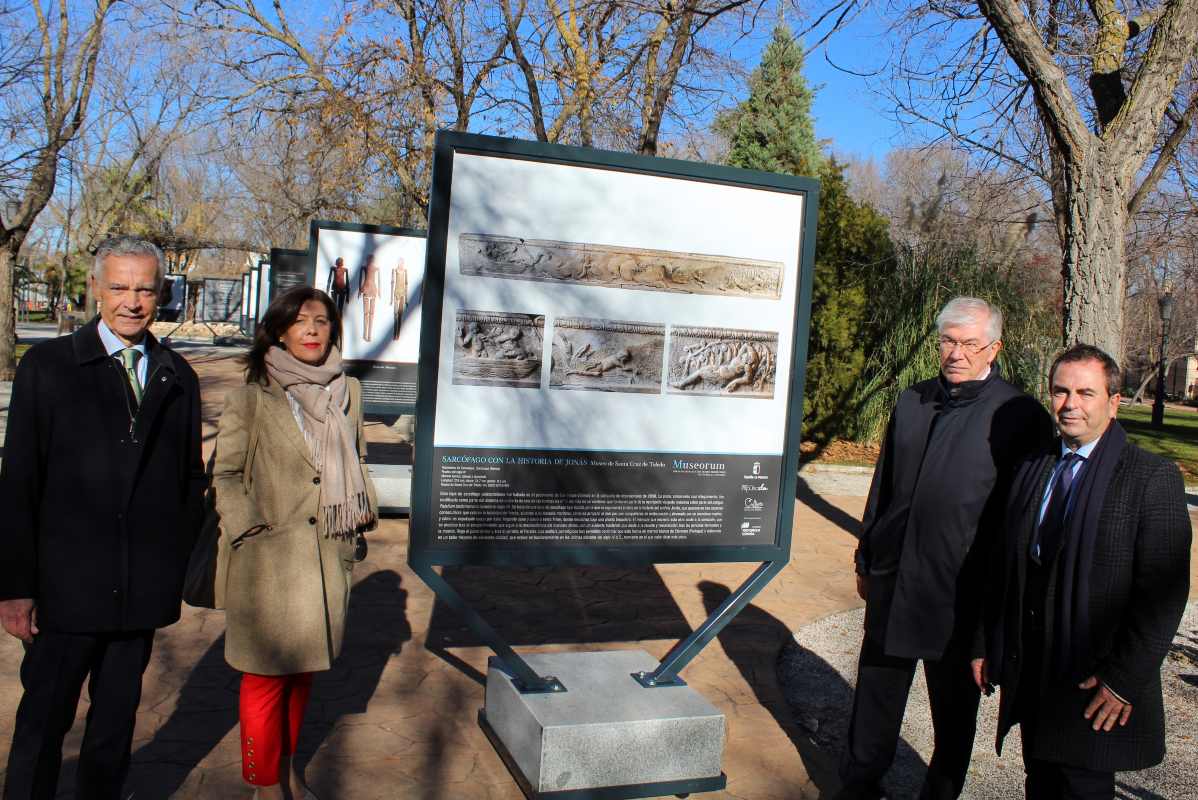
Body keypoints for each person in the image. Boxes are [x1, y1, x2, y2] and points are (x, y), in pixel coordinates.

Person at [0, 236, 205, 799]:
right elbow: (19, 481)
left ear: (160, 293)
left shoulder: (177, 375)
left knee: (113, 728)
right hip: (63, 591)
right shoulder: (49, 366)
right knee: (43, 726)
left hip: (137, 592)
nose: (132, 301)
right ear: (95, 289)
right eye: (119, 286)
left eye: (144, 288)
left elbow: (188, 479)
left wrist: (173, 564)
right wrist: (16, 588)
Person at [839, 297, 1053, 800]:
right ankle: (858, 784)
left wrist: (997, 614)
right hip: (893, 580)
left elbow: (1020, 520)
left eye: (969, 344)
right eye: (948, 341)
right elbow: (882, 488)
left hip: (959, 595)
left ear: (993, 348)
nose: (957, 353)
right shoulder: (912, 401)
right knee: (875, 699)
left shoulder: (1018, 414)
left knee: (953, 715)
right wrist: (866, 556)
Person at [977, 344, 1191, 799]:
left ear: (1113, 401)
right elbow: (1006, 566)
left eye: (1085, 392)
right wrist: (987, 642)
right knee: (1043, 785)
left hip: (1095, 682)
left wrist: (1123, 680)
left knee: (1082, 788)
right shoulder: (1035, 467)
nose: (1070, 403)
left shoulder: (1150, 478)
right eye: (1060, 391)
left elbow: (1163, 594)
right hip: (1035, 676)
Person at [213, 286, 378, 799]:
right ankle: (264, 784)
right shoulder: (250, 396)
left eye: (322, 321)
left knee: (303, 675)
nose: (311, 329)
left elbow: (359, 456)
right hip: (267, 563)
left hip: (327, 557)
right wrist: (248, 530)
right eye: (301, 320)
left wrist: (360, 511)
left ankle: (287, 768)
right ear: (280, 329)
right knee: (264, 680)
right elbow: (226, 474)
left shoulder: (348, 391)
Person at [358, 253, 379, 342]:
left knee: (371, 314)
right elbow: (360, 279)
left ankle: (369, 334)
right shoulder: (364, 267)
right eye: (369, 259)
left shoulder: (376, 268)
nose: (369, 261)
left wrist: (380, 291)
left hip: (373, 290)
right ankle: (365, 334)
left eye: (371, 259)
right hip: (366, 289)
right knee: (366, 314)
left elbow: (379, 279)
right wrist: (360, 289)